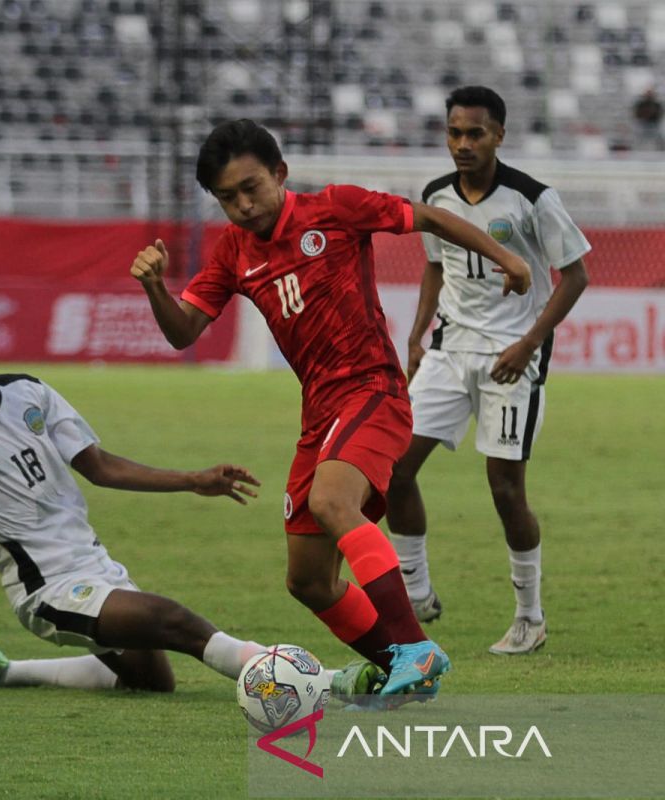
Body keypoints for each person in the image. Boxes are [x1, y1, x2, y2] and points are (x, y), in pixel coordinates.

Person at [130, 119, 532, 698]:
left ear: (280, 174)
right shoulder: (232, 252)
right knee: (308, 579)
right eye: (226, 197)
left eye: (251, 188)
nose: (243, 206)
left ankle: (416, 649)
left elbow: (431, 217)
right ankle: (403, 667)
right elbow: (183, 332)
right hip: (319, 412)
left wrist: (507, 260)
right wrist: (154, 288)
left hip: (372, 389)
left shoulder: (337, 208)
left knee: (331, 501)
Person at [0, 299, 289, 693]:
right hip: (45, 590)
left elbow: (99, 467)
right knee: (173, 620)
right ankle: (303, 681)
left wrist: (192, 479)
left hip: (95, 564)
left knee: (153, 684)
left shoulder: (29, 392)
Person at [386, 86, 591, 655]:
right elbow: (434, 267)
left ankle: (530, 616)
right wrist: (416, 334)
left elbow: (575, 275)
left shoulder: (532, 198)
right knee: (394, 467)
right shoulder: (435, 196)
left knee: (504, 489)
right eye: (454, 133)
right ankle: (417, 591)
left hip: (511, 358)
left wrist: (529, 343)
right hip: (450, 351)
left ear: (500, 134)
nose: (463, 144)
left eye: (475, 133)